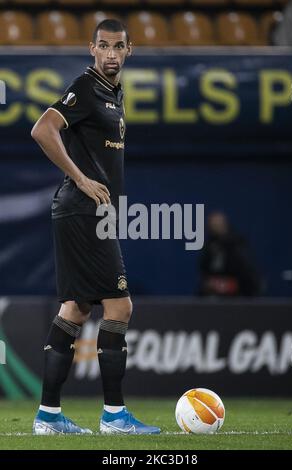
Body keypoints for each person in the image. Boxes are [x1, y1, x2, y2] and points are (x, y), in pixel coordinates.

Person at [31, 19, 160, 435]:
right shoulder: (85, 87)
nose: (109, 54)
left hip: (87, 214)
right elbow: (42, 129)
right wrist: (82, 179)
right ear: (91, 49)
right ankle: (114, 416)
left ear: (129, 51)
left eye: (117, 47)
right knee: (120, 307)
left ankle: (48, 416)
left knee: (76, 308)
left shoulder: (113, 93)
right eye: (102, 46)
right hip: (83, 210)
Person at [198, 212, 261, 297]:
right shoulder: (210, 246)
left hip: (236, 298)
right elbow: (205, 272)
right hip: (214, 298)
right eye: (212, 225)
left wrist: (227, 285)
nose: (215, 228)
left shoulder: (237, 245)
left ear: (224, 225)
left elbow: (247, 277)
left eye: (217, 225)